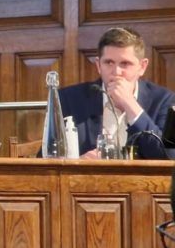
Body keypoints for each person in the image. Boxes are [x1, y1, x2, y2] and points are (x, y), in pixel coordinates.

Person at [59, 26, 175, 160]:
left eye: (125, 63)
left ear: (142, 67)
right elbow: (47, 158)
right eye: (109, 62)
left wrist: (130, 104)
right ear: (98, 65)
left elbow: (169, 157)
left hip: (142, 181)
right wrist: (78, 163)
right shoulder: (69, 99)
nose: (116, 72)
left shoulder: (164, 101)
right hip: (89, 179)